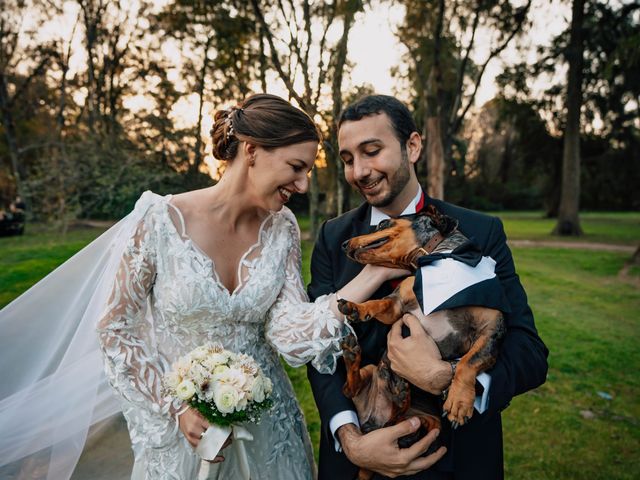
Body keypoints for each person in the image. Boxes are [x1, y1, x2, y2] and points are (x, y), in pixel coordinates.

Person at [0, 93, 410, 480]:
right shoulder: (159, 220)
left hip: (269, 430)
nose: (303, 185)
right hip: (183, 429)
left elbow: (288, 331)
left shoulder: (282, 229)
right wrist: (175, 408)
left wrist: (370, 276)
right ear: (251, 150)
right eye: (296, 167)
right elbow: (115, 328)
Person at [306, 94, 549, 479]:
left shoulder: (480, 231)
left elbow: (529, 352)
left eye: (372, 151)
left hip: (455, 461)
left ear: (413, 146)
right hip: (358, 462)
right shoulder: (333, 237)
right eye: (348, 159)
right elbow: (319, 354)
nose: (359, 171)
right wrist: (352, 440)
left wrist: (445, 377)